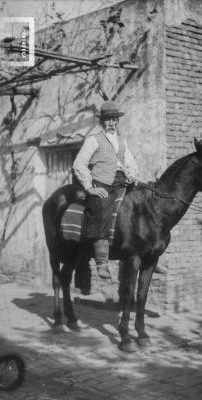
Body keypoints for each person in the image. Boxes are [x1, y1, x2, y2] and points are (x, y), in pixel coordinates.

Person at [73, 101, 138, 279]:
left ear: (118, 121)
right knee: (101, 210)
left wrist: (132, 175)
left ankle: (144, 250)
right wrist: (89, 188)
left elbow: (130, 161)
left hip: (122, 181)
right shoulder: (93, 140)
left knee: (141, 204)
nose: (112, 123)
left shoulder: (122, 141)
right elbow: (79, 164)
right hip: (102, 183)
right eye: (108, 120)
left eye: (114, 119)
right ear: (102, 121)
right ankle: (101, 261)